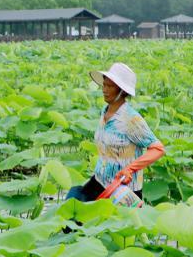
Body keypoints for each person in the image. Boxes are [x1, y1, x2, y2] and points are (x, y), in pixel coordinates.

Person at [66, 62, 165, 204]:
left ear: (122, 91)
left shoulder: (131, 119)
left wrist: (130, 169)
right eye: (104, 85)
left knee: (117, 225)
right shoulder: (104, 112)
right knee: (72, 212)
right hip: (100, 181)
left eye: (110, 86)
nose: (104, 90)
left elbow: (158, 149)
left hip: (123, 189)